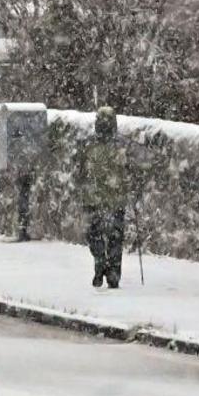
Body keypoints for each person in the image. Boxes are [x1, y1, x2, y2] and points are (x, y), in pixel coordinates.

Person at [81, 106, 128, 288]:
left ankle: (100, 261)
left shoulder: (88, 145)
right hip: (116, 199)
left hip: (94, 198)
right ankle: (113, 271)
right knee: (115, 236)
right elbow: (131, 169)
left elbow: (81, 171)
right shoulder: (121, 145)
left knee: (95, 234)